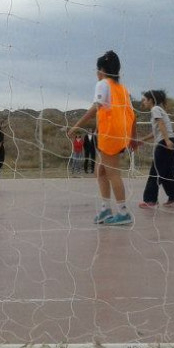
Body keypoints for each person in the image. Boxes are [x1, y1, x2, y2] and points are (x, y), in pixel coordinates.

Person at [67, 50, 137, 226]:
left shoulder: (103, 84)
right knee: (101, 171)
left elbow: (94, 108)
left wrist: (76, 126)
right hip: (120, 134)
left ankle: (123, 212)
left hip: (110, 135)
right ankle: (106, 209)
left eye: (97, 70)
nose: (96, 74)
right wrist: (133, 137)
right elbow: (131, 114)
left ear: (102, 70)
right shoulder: (122, 89)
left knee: (112, 173)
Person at [137, 90, 174, 209]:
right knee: (167, 173)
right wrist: (143, 140)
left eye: (145, 99)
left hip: (165, 143)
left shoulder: (155, 109)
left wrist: (166, 141)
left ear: (151, 100)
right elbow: (156, 131)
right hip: (171, 141)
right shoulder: (159, 110)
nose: (143, 101)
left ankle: (150, 200)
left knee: (155, 172)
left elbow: (161, 124)